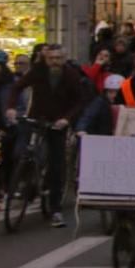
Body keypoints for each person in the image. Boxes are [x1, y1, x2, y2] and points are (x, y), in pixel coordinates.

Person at [8, 44, 90, 228]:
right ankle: (25, 183)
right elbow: (17, 87)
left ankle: (55, 209)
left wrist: (66, 119)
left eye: (58, 58)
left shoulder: (70, 75)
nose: (54, 62)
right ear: (45, 59)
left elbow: (80, 101)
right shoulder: (38, 72)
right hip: (38, 118)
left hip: (57, 123)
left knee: (56, 164)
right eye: (51, 58)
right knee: (25, 151)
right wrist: (11, 107)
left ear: (64, 59)